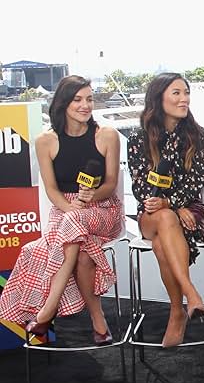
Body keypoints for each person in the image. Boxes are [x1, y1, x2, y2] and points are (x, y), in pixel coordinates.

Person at [0, 76, 122, 344]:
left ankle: (47, 310)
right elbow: (52, 189)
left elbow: (111, 184)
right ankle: (99, 323)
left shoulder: (107, 135)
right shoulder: (45, 141)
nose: (85, 105)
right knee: (75, 252)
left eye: (89, 99)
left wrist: (91, 196)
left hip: (102, 209)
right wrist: (69, 208)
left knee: (74, 226)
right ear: (63, 103)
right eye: (78, 99)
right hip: (65, 209)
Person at [127, 73, 204, 348]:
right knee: (162, 217)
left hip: (187, 210)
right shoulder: (138, 140)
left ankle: (177, 311)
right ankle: (191, 294)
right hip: (150, 214)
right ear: (158, 97)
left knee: (163, 243)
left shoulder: (201, 137)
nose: (184, 98)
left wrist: (170, 205)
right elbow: (141, 189)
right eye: (176, 93)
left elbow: (194, 185)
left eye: (186, 92)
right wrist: (165, 205)